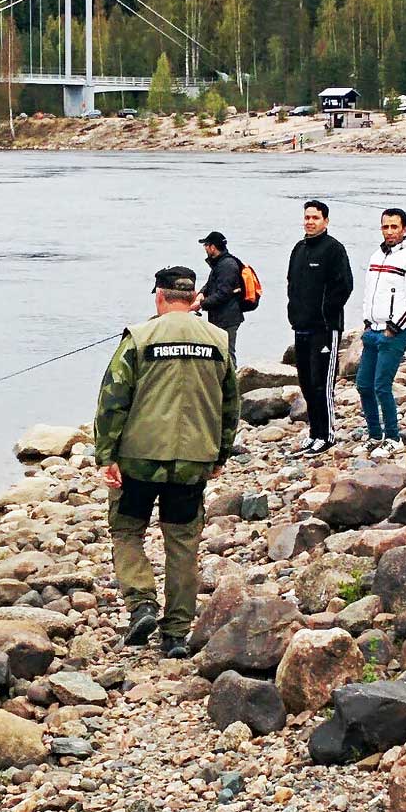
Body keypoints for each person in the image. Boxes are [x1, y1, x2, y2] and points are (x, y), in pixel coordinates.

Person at [94, 266, 239, 658]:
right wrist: (221, 453)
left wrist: (105, 455)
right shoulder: (219, 341)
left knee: (127, 532)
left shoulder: (139, 338)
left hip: (139, 459)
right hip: (193, 459)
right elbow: (231, 404)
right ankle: (175, 634)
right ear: (194, 300)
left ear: (159, 296)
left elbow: (112, 401)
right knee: (182, 543)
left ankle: (141, 604)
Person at [356, 209, 406, 454]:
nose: (389, 231)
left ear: (404, 229)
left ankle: (393, 437)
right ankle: (375, 435)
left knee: (381, 386)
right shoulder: (377, 255)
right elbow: (369, 291)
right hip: (372, 331)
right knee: (363, 385)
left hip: (393, 332)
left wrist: (395, 326)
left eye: (394, 227)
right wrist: (367, 321)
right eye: (385, 227)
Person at [285, 199, 353, 455]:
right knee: (305, 382)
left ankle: (327, 435)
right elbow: (291, 283)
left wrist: (326, 313)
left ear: (326, 221)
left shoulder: (334, 249)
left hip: (325, 328)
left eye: (315, 218)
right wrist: (293, 313)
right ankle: (314, 433)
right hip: (301, 327)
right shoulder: (299, 249)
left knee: (321, 383)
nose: (310, 222)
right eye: (307, 217)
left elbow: (344, 286)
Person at [197, 230, 246, 361]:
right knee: (218, 353)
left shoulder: (227, 265)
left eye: (206, 245)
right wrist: (201, 293)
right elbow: (210, 284)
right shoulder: (219, 263)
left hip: (228, 319)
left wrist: (201, 304)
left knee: (227, 354)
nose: (205, 248)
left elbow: (222, 294)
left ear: (213, 247)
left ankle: (232, 380)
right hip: (220, 317)